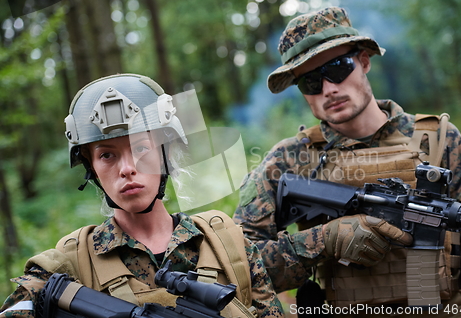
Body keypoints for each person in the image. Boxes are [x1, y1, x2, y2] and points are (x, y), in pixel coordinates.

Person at [233, 6, 461, 317]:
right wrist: (323, 240)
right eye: (311, 82)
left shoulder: (439, 139)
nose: (329, 89)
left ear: (364, 62)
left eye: (338, 68)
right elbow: (237, 268)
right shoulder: (288, 160)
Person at [0, 74, 284, 318]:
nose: (127, 169)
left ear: (166, 154)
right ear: (92, 170)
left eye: (141, 148)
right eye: (107, 155)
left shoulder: (230, 246)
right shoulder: (67, 267)